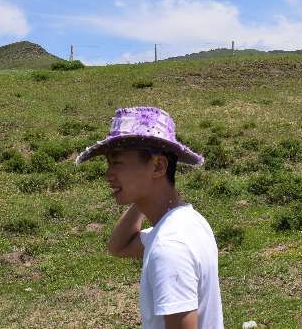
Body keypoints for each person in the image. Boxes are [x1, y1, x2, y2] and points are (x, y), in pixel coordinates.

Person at [76, 106, 224, 329]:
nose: (108, 174)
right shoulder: (190, 221)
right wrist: (143, 198)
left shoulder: (169, 246)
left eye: (116, 162)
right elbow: (120, 246)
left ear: (158, 166)